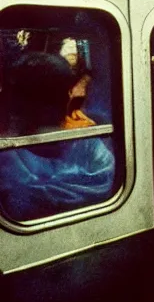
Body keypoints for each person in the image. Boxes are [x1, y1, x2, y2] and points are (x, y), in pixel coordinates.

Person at [0, 52, 115, 221]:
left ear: (18, 103)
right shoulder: (90, 143)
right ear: (67, 96)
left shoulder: (6, 156)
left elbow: (19, 202)